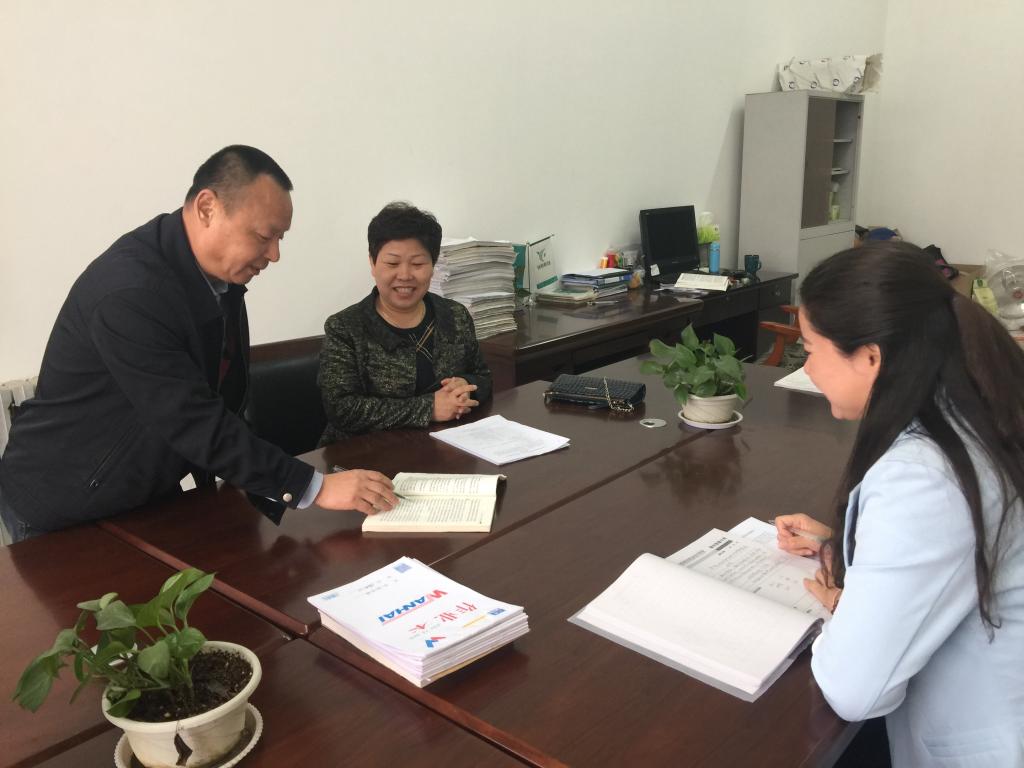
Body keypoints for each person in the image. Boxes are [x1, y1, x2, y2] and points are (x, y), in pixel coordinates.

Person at [0, 146, 395, 544]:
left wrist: (269, 487)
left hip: (138, 490)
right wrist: (313, 487)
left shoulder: (219, 280)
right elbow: (190, 418)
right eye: (264, 236)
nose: (275, 254)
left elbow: (221, 399)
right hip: (65, 500)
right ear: (207, 208)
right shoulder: (131, 292)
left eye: (280, 238)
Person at [773, 241, 1024, 766]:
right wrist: (847, 545)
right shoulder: (971, 407)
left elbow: (853, 690)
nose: (808, 368)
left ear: (871, 356)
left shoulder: (925, 476)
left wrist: (849, 608)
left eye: (811, 349)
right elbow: (948, 542)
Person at [317, 202, 492, 444]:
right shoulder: (345, 328)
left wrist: (466, 385)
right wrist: (429, 408)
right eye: (392, 263)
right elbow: (342, 409)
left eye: (418, 264)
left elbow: (483, 376)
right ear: (372, 263)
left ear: (433, 266)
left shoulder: (455, 315)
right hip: (364, 455)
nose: (405, 275)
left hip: (444, 448)